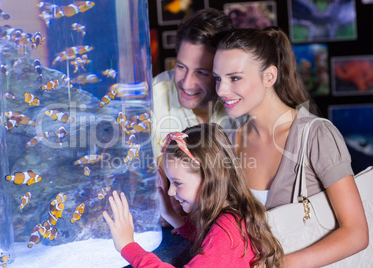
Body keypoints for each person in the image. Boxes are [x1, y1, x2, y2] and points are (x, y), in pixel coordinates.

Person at [212, 26, 369, 267]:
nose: (221, 90)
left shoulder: (316, 134)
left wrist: (277, 265)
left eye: (234, 78)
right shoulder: (231, 141)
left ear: (269, 77)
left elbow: (357, 234)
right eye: (217, 79)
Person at [103, 123, 283, 267]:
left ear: (209, 179)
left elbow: (218, 243)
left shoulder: (227, 234)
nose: (171, 192)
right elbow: (210, 243)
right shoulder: (234, 218)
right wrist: (171, 216)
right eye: (169, 182)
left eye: (178, 183)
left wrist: (128, 247)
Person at [151, 8, 239, 161]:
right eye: (181, 67)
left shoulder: (243, 97)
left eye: (201, 73)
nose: (186, 83)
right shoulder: (152, 98)